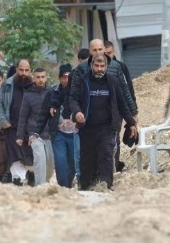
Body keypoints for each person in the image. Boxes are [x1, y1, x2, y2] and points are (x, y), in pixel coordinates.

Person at [69, 54, 137, 190]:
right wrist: (77, 112)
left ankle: (106, 186)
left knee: (106, 155)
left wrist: (131, 123)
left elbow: (122, 104)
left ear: (106, 66)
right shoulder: (83, 81)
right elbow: (73, 99)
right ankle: (86, 187)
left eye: (102, 66)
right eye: (97, 66)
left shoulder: (113, 81)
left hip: (107, 127)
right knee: (87, 160)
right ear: (91, 65)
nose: (99, 69)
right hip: (87, 127)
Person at [35, 63, 75, 188]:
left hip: (76, 133)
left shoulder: (78, 91)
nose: (66, 80)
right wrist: (36, 132)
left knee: (73, 163)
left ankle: (68, 185)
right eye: (64, 77)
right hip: (58, 134)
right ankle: (63, 187)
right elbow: (43, 114)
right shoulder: (53, 92)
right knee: (60, 163)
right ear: (59, 78)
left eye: (69, 77)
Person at [0, 59, 33, 184]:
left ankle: (31, 176)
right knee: (14, 154)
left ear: (30, 70)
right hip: (11, 126)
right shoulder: (7, 85)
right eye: (21, 70)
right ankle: (18, 180)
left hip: (31, 127)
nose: (23, 73)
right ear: (16, 69)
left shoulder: (35, 84)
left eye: (26, 70)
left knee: (30, 154)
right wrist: (3, 120)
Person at [103, 39, 138, 173]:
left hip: (118, 108)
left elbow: (128, 89)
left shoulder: (120, 67)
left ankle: (114, 166)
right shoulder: (96, 66)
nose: (106, 56)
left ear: (114, 51)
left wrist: (133, 111)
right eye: (103, 52)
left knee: (114, 137)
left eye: (109, 53)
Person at [17, 68, 53, 186]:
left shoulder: (52, 92)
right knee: (39, 159)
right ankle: (40, 186)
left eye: (42, 77)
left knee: (50, 162)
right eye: (38, 77)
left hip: (50, 133)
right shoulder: (28, 95)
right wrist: (20, 136)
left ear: (46, 77)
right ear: (34, 78)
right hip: (34, 134)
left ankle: (46, 183)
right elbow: (23, 117)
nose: (40, 80)